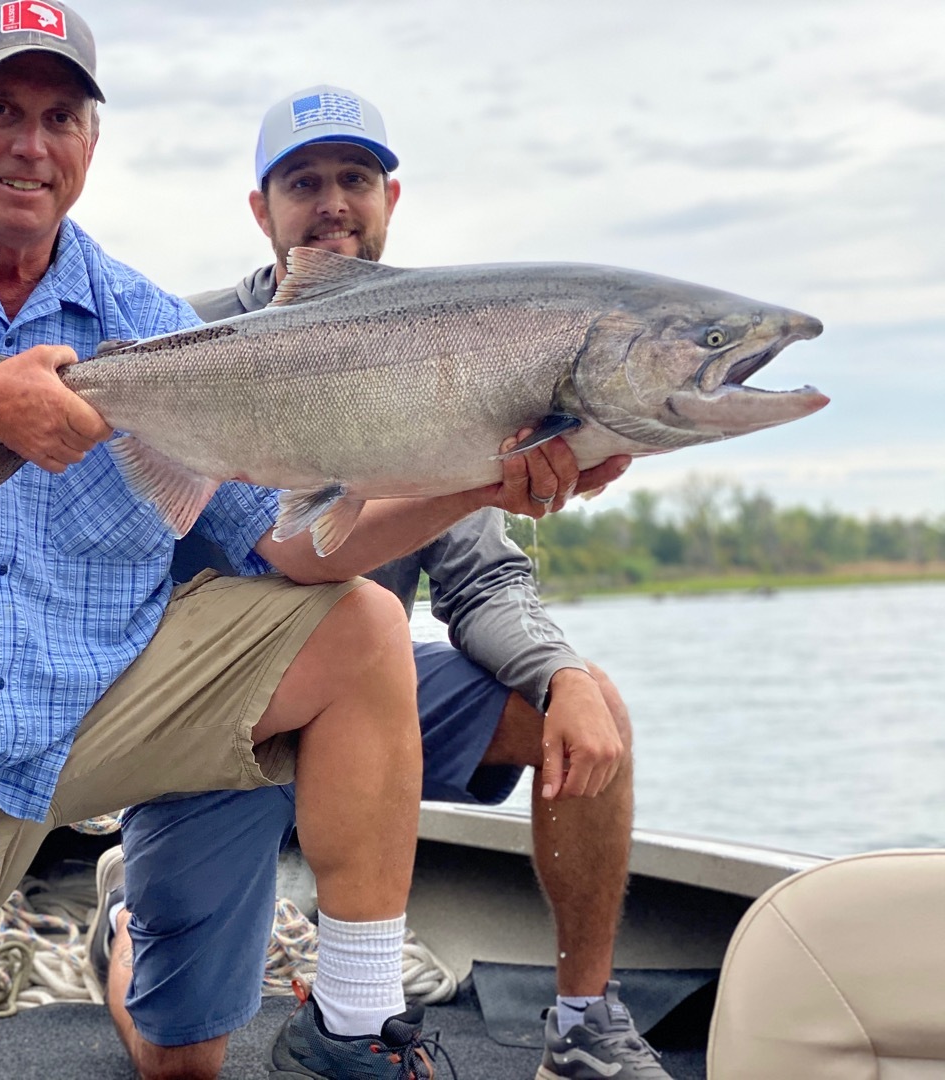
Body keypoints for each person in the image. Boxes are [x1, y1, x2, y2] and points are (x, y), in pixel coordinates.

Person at [0, 8, 605, 1079]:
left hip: (83, 713)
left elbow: (289, 552)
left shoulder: (141, 320)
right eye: (0, 109)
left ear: (91, 142)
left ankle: (355, 1026)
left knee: (362, 623)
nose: (30, 144)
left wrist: (481, 482)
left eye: (61, 115)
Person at [90, 85, 673, 1080]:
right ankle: (122, 931)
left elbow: (482, 580)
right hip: (218, 723)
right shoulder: (176, 340)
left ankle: (582, 1019)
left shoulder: (455, 347)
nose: (333, 204)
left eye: (354, 179)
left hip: (373, 703)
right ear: (261, 209)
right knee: (175, 1065)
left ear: (390, 198)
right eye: (304, 182)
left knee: (581, 705)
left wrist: (560, 671)